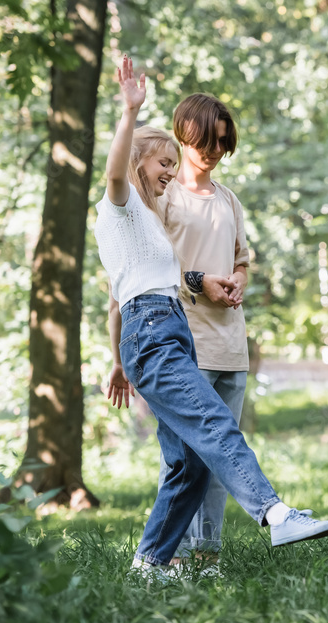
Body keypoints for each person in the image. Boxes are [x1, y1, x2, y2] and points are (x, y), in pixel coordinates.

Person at [96, 55, 328, 584]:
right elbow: (116, 173)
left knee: (189, 464)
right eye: (160, 163)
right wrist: (129, 113)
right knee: (213, 426)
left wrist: (118, 360)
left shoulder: (150, 224)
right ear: (142, 164)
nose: (167, 172)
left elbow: (119, 296)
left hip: (162, 332)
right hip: (157, 332)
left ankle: (149, 563)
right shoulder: (123, 205)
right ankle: (275, 515)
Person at [107, 92, 253, 577]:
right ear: (185, 133)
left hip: (231, 342)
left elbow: (241, 261)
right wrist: (199, 283)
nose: (214, 151)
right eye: (207, 140)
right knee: (190, 458)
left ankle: (205, 557)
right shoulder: (158, 196)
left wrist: (235, 282)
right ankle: (175, 555)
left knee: (222, 451)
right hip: (181, 340)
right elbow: (144, 270)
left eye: (222, 143)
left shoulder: (229, 199)